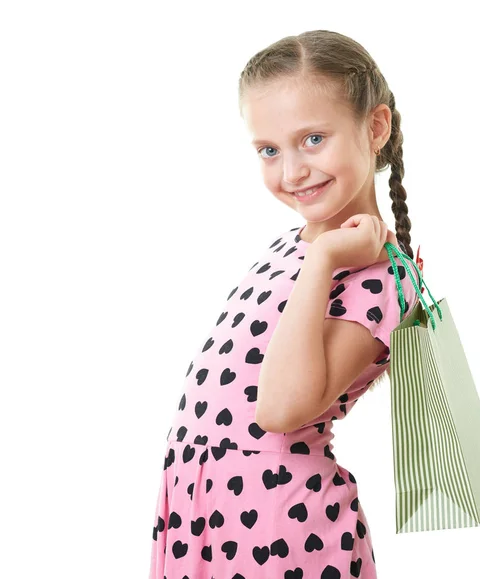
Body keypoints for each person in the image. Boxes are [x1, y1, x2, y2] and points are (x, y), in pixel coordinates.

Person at [148, 29, 421, 579]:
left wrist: (324, 262)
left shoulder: (384, 279)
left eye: (313, 139)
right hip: (207, 512)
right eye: (269, 150)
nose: (292, 171)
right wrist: (316, 256)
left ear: (375, 128)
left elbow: (279, 411)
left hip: (278, 528)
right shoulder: (291, 245)